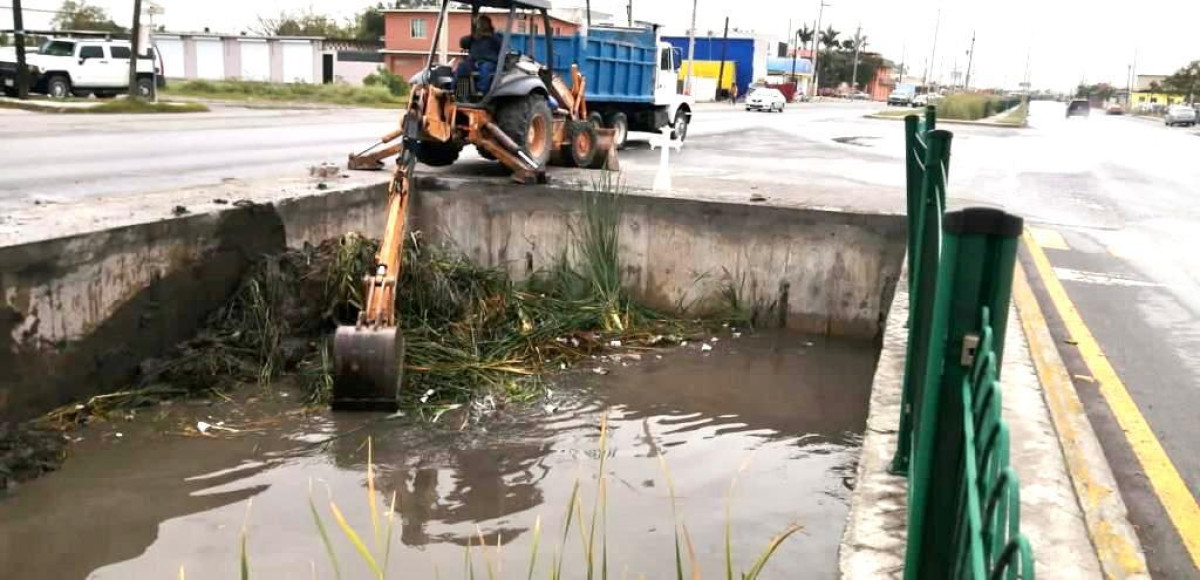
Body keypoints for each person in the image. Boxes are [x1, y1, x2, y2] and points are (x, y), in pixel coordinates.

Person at [458, 16, 502, 92]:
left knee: (485, 68)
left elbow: (501, 45)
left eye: (483, 23)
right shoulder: (475, 37)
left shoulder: (495, 36)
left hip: (489, 61)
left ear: (488, 24)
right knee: (463, 67)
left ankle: (481, 91)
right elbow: (463, 43)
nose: (481, 25)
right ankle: (462, 93)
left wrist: (490, 36)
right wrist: (472, 36)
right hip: (473, 61)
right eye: (479, 24)